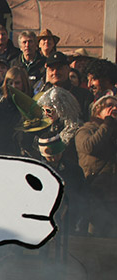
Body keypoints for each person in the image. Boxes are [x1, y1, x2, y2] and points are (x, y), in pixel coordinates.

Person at [75, 94, 117, 236]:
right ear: (97, 110)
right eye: (109, 106)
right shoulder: (86, 129)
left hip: (113, 196)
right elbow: (90, 147)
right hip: (95, 194)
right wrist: (108, 123)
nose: (114, 108)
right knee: (95, 240)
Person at [36, 51, 94, 122]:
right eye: (52, 69)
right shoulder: (42, 95)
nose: (55, 72)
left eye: (59, 68)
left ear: (68, 69)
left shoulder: (84, 95)